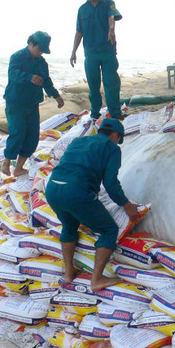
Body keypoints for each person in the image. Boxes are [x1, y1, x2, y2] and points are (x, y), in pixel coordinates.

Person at [45, 117, 140, 291]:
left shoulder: (79, 141)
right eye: (119, 139)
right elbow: (111, 184)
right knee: (108, 230)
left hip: (52, 189)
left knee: (69, 226)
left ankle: (68, 273)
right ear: (115, 135)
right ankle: (97, 279)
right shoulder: (111, 148)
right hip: (76, 192)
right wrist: (127, 205)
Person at [2, 31, 65, 177]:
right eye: (39, 49)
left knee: (32, 136)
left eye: (43, 50)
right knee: (17, 132)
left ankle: (18, 167)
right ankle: (6, 163)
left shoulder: (42, 63)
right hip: (16, 101)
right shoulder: (17, 57)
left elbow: (46, 81)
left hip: (32, 103)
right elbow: (12, 73)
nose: (40, 52)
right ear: (31, 43)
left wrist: (56, 96)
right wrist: (29, 77)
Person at [71, 0, 124, 120]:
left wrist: (111, 29)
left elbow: (112, 16)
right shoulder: (82, 10)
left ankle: (115, 111)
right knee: (93, 85)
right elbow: (79, 31)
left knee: (111, 82)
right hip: (91, 53)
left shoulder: (108, 3)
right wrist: (73, 51)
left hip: (108, 51)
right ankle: (95, 112)